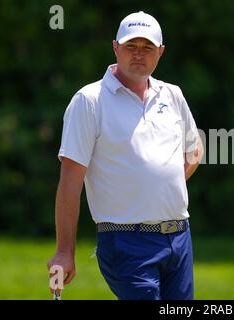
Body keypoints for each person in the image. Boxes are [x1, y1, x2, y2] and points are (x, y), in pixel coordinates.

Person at [47, 11, 203, 300]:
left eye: (148, 48)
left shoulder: (173, 95)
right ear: (116, 47)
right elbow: (70, 180)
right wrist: (64, 252)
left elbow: (194, 149)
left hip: (180, 237)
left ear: (161, 52)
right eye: (131, 46)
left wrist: (159, 188)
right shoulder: (89, 101)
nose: (139, 55)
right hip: (125, 241)